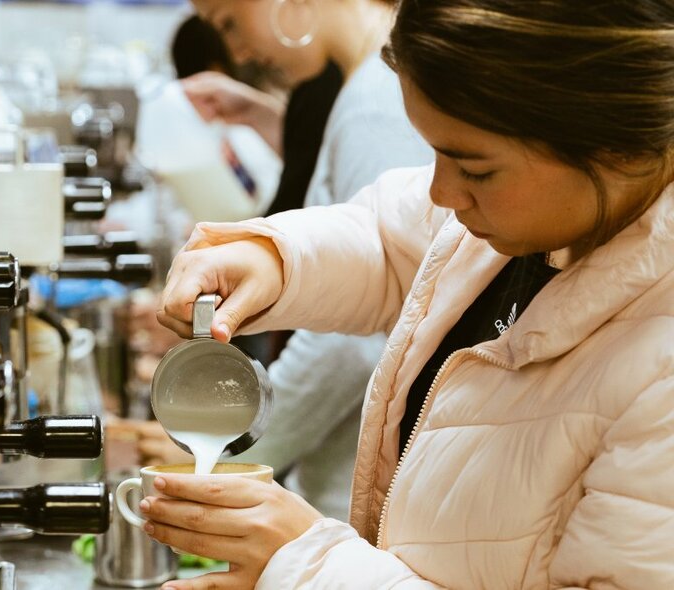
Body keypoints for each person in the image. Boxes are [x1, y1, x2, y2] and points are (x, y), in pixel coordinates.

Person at [143, 0, 674, 588]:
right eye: (434, 156)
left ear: (616, 145)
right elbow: (394, 236)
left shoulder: (660, 371)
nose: (444, 191)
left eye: (474, 170)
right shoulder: (543, 214)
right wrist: (274, 257)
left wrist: (307, 567)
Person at [130, 0, 432, 521]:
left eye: (229, 22)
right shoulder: (364, 87)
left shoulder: (374, 98)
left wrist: (237, 450)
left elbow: (358, 337)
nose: (239, 50)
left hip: (352, 486)